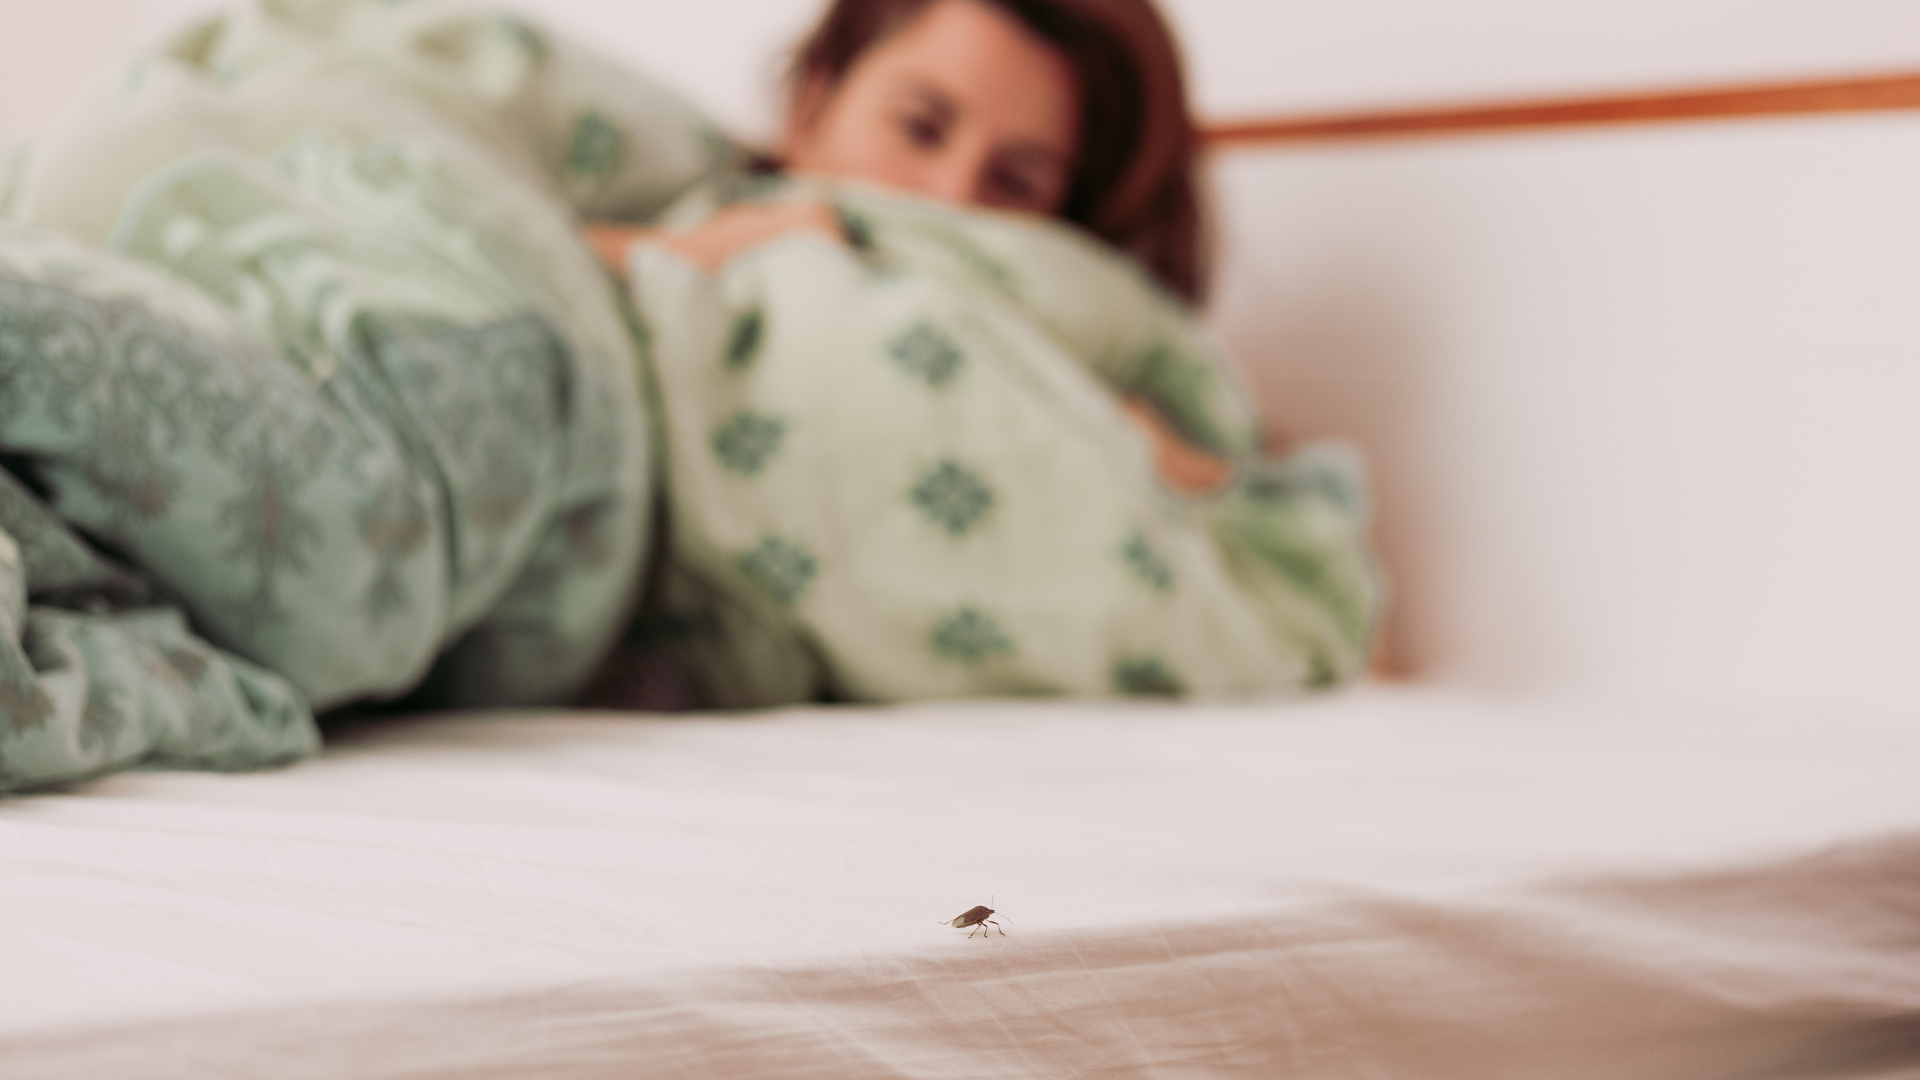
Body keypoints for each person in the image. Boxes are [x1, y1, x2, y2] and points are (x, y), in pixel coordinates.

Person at [583, 0, 1232, 492]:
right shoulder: (682, 227)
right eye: (920, 128)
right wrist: (702, 252)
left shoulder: (1103, 388)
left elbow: (1232, 494)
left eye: (1014, 182)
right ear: (811, 105)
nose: (949, 198)